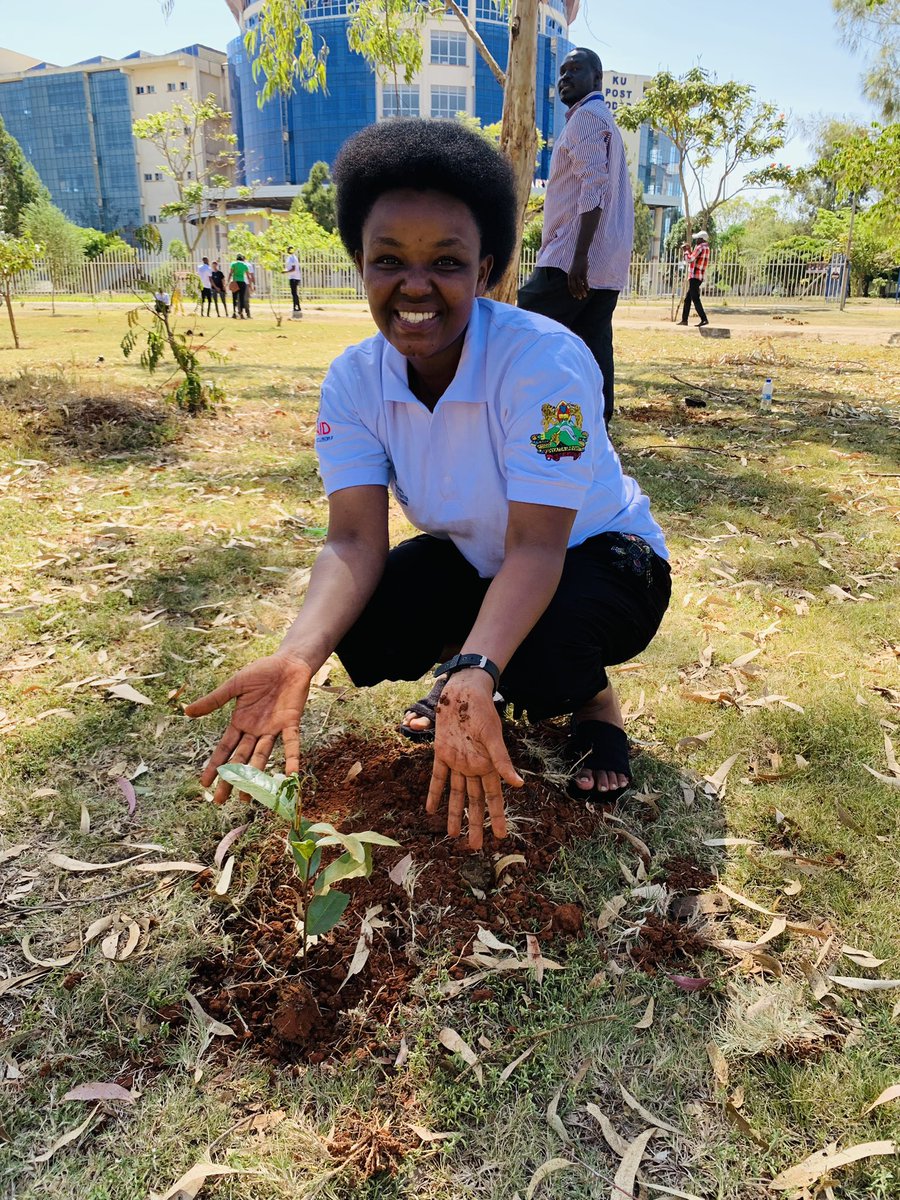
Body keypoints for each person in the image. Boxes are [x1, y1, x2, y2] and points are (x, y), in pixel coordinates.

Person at [185, 120, 670, 851]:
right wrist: (297, 657)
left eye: (446, 261)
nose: (415, 286)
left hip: (600, 557)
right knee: (369, 622)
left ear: (487, 269)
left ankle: (592, 702)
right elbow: (351, 538)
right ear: (360, 263)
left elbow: (539, 547)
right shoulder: (354, 381)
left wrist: (475, 666)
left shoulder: (546, 367)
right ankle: (485, 672)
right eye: (389, 260)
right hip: (485, 561)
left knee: (544, 656)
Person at [518, 48, 633, 426]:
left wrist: (579, 256)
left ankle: (516, 418)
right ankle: (593, 428)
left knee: (523, 330)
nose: (564, 77)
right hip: (608, 263)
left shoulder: (585, 118)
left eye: (575, 70)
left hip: (570, 258)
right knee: (591, 344)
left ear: (596, 79)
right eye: (562, 71)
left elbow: (595, 187)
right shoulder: (606, 122)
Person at [679, 231, 710, 327]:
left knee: (695, 298)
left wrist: (686, 251)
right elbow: (695, 258)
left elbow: (689, 259)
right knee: (688, 299)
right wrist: (690, 251)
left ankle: (704, 319)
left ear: (701, 239)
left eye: (697, 239)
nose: (696, 241)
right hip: (699, 276)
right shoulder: (706, 248)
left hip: (694, 277)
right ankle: (684, 320)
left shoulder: (700, 247)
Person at [228, 254, 252, 319]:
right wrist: (250, 284)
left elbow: (231, 273)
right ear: (242, 259)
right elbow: (248, 276)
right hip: (242, 282)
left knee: (234, 298)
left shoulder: (233, 264)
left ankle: (234, 312)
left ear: (236, 259)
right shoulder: (245, 265)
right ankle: (241, 313)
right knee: (241, 298)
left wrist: (228, 281)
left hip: (235, 282)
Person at [284, 244, 302, 316]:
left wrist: (286, 272)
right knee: (294, 293)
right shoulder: (290, 258)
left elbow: (293, 268)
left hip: (294, 277)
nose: (288, 250)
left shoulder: (293, 258)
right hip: (292, 277)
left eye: (289, 249)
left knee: (294, 293)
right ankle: (297, 306)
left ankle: (296, 307)